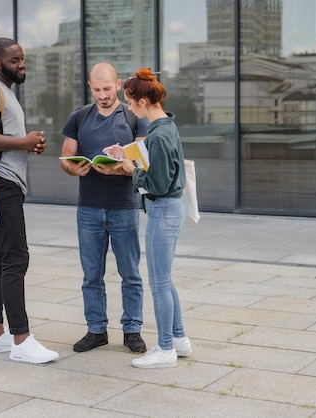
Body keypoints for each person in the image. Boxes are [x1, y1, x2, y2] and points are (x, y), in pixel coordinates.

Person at [0, 37, 58, 364]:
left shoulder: (4, 91)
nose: (22, 65)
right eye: (15, 60)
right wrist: (22, 142)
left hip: (0, 185)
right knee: (16, 257)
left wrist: (26, 144)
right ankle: (21, 339)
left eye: (22, 59)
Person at [60, 62, 149, 354]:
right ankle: (96, 330)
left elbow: (142, 163)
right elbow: (66, 157)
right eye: (97, 89)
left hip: (123, 206)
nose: (102, 94)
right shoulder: (79, 117)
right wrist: (74, 170)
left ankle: (132, 329)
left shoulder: (134, 117)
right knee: (91, 275)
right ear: (90, 87)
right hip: (88, 208)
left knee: (130, 273)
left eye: (107, 88)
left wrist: (121, 170)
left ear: (119, 85)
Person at [109, 67, 192, 368]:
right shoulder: (166, 125)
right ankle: (179, 339)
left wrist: (131, 170)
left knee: (158, 283)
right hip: (172, 209)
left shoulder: (158, 134)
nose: (129, 108)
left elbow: (156, 182)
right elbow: (162, 164)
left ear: (143, 102)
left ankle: (166, 348)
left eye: (130, 103)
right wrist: (128, 153)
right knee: (164, 279)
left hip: (163, 210)